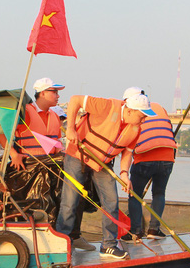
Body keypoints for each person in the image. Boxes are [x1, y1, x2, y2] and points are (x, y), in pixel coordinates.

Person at [55, 91, 156, 259]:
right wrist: (71, 128)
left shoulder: (136, 129)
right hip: (77, 154)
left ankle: (108, 245)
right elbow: (75, 99)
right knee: (70, 200)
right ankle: (62, 242)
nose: (144, 120)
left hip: (102, 163)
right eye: (142, 116)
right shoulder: (108, 106)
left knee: (111, 201)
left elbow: (127, 153)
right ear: (129, 111)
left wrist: (124, 174)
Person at [120, 88, 177, 242]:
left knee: (135, 195)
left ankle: (135, 232)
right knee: (159, 193)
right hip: (167, 157)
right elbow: (168, 129)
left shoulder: (131, 113)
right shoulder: (159, 107)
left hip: (144, 157)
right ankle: (154, 229)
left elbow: (127, 141)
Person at [0, 77, 65, 170]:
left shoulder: (55, 116)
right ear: (43, 93)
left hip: (50, 168)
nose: (58, 96)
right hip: (27, 167)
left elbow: (57, 143)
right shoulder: (25, 112)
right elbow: (0, 131)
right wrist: (13, 154)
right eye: (54, 92)